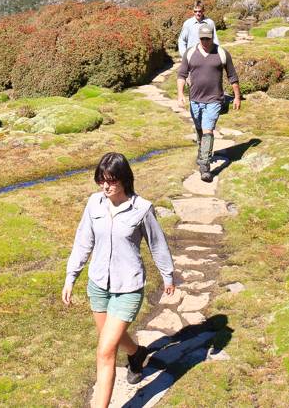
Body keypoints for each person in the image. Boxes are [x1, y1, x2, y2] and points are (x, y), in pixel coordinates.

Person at [62, 152, 176, 405]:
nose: (106, 186)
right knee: (109, 339)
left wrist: (167, 275)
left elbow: (157, 244)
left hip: (128, 288)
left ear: (125, 179)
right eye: (101, 180)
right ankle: (137, 354)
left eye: (111, 180)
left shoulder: (142, 209)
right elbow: (83, 242)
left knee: (105, 351)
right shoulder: (94, 204)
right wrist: (71, 277)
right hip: (98, 285)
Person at [176, 22, 241, 183]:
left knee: (208, 130)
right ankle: (202, 152)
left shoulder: (221, 53)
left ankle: (205, 167)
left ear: (212, 37)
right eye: (202, 39)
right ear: (199, 38)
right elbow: (182, 75)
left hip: (214, 100)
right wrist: (180, 95)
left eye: (208, 39)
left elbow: (232, 76)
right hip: (195, 100)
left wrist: (237, 97)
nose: (205, 42)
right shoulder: (190, 53)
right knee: (199, 128)